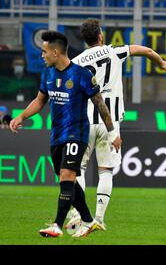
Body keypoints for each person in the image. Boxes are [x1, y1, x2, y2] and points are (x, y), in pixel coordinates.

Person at [65, 18, 166, 231]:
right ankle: (98, 219)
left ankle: (77, 213)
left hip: (84, 121)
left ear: (85, 39)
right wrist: (162, 63)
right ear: (100, 35)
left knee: (77, 169)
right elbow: (145, 50)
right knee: (106, 170)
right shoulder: (114, 51)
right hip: (110, 122)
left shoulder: (77, 61)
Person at [9, 30, 122, 238]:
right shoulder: (48, 74)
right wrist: (21, 117)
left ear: (55, 52)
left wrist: (113, 132)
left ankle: (57, 225)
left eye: (44, 52)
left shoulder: (81, 75)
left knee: (67, 175)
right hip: (57, 135)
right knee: (67, 181)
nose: (42, 55)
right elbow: (40, 100)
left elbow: (100, 105)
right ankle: (88, 220)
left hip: (77, 134)